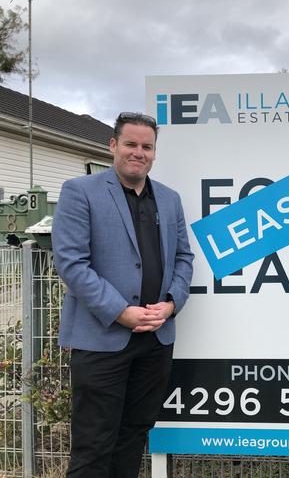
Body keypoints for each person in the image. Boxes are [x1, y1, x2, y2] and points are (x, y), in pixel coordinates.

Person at [52, 112, 194, 478]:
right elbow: (71, 263)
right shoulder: (79, 192)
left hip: (155, 340)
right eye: (131, 144)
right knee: (93, 445)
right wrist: (121, 312)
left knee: (133, 438)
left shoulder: (169, 199)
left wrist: (172, 304)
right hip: (102, 341)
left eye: (147, 146)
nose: (139, 152)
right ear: (113, 145)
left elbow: (183, 257)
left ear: (154, 152)